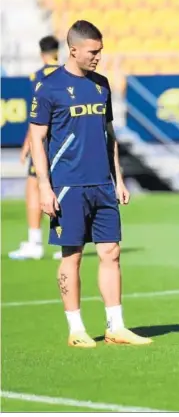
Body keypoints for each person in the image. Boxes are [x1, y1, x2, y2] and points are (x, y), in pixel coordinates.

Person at [29, 20, 152, 348]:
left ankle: (116, 327)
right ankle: (76, 329)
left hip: (102, 185)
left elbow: (109, 135)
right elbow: (37, 139)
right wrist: (44, 186)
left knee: (111, 252)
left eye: (101, 51)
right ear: (73, 50)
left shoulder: (102, 85)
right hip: (68, 186)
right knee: (72, 255)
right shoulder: (49, 88)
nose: (99, 57)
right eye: (93, 51)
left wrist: (119, 179)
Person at [9, 36, 62, 260]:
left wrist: (27, 145)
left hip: (44, 142)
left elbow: (37, 115)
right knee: (62, 188)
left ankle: (35, 242)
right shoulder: (67, 75)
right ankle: (65, 242)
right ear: (58, 51)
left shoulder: (37, 77)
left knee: (33, 187)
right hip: (62, 140)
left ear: (41, 54)